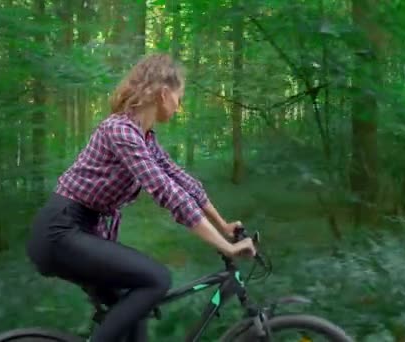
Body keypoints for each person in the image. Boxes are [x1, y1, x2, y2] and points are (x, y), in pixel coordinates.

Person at [25, 53, 256, 342]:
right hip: (60, 233)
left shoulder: (145, 138)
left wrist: (223, 226)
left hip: (82, 231)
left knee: (137, 305)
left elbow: (182, 181)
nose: (179, 106)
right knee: (157, 279)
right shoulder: (119, 130)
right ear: (163, 93)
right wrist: (226, 247)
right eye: (179, 97)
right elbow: (166, 192)